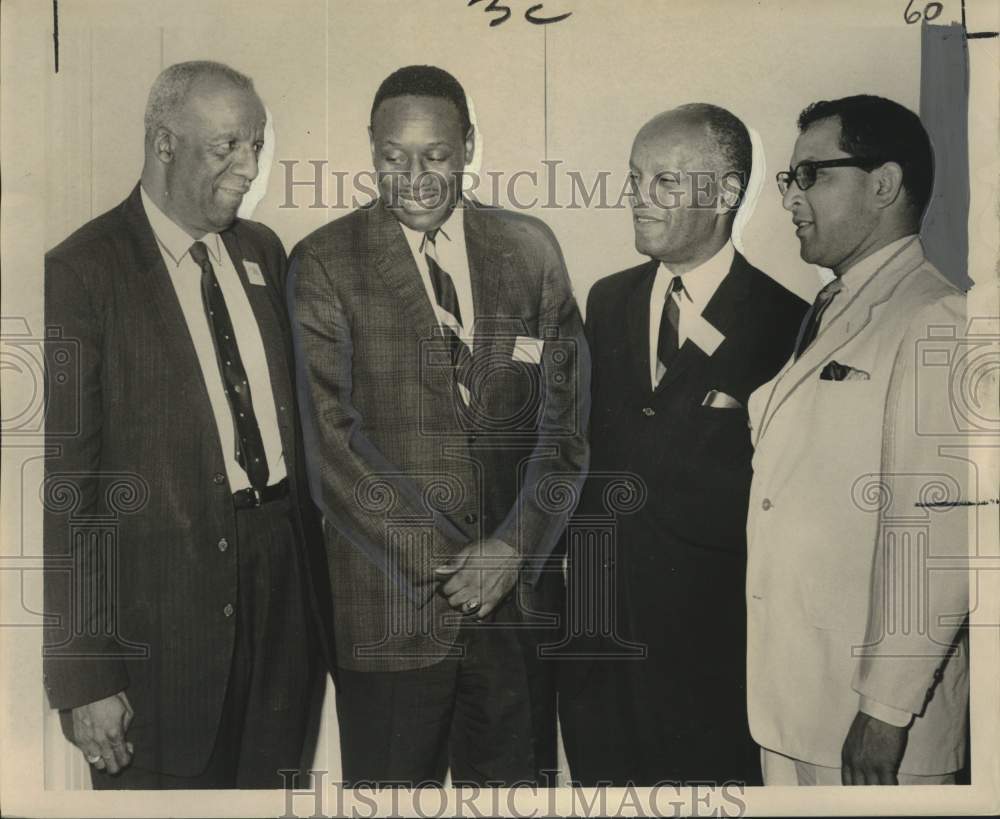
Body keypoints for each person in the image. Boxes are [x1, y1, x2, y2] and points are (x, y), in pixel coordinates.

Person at [287, 64, 589, 787]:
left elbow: (564, 428)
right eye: (393, 157)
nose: (414, 177)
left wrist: (510, 551)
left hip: (514, 610)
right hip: (391, 612)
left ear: (469, 147)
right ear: (371, 150)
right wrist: (457, 570)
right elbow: (333, 448)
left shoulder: (530, 248)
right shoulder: (325, 262)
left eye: (436, 155)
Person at [42, 60, 331, 789]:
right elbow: (68, 487)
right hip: (161, 624)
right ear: (164, 144)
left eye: (256, 146)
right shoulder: (83, 272)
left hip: (283, 601)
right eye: (226, 146)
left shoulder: (264, 252)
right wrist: (84, 674)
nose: (248, 168)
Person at [558, 104, 808, 786]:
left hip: (712, 666)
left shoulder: (788, 322)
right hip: (598, 659)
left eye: (665, 182)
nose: (639, 199)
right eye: (636, 178)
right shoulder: (606, 300)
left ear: (727, 194)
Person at [747, 95, 970, 785]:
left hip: (871, 730)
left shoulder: (938, 316)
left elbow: (940, 537)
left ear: (884, 183)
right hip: (796, 704)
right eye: (790, 180)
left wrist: (885, 712)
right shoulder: (835, 304)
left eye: (811, 174)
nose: (791, 199)